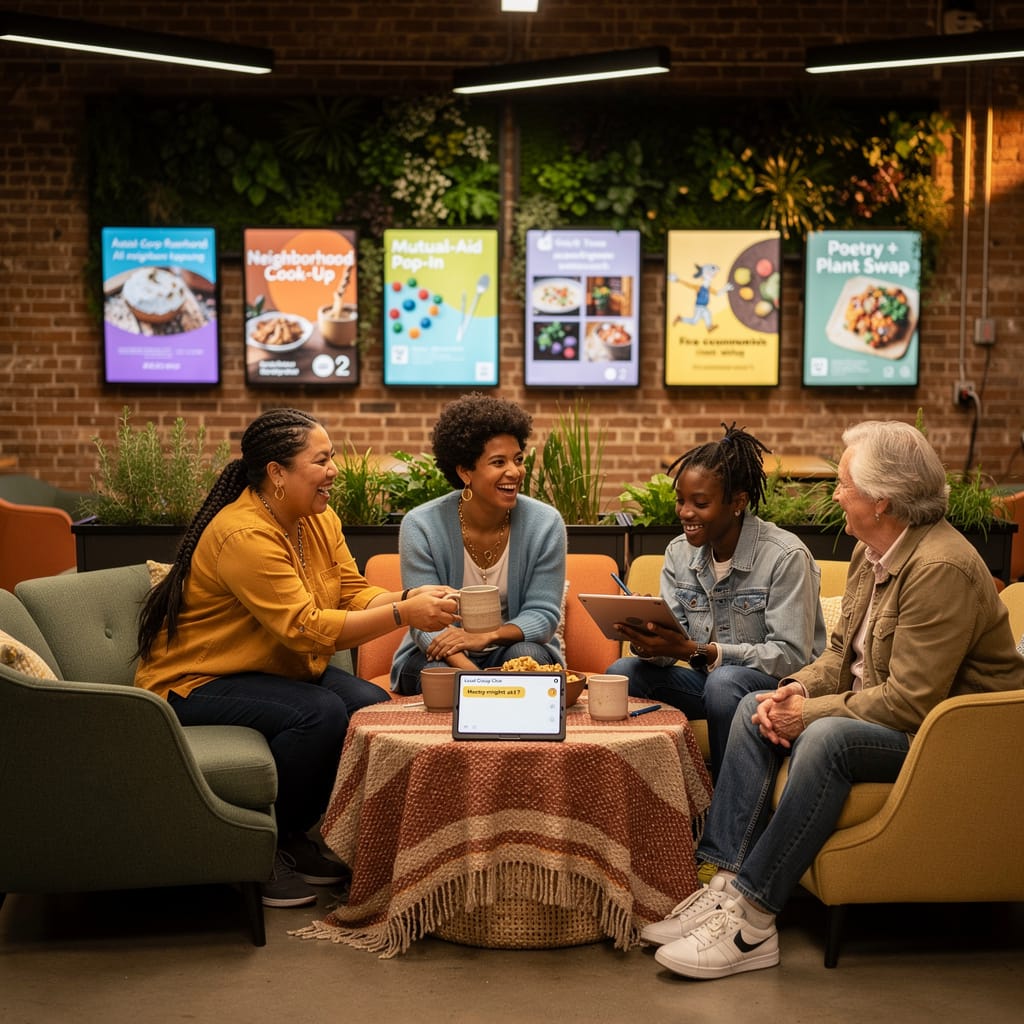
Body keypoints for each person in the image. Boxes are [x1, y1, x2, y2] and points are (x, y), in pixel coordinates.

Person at [644, 420, 1024, 979]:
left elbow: (911, 704)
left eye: (844, 484)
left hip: (950, 740)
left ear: (882, 499)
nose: (837, 494)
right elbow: (840, 657)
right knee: (754, 706)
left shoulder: (939, 566)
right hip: (897, 718)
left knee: (826, 736)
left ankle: (752, 920)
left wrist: (809, 714)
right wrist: (794, 689)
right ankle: (723, 882)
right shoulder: (876, 554)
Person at [134, 408, 459, 909]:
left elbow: (351, 590)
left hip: (268, 668)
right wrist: (403, 612)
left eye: (333, 457)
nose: (334, 470)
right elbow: (303, 627)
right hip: (196, 682)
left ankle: (298, 835)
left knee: (366, 702)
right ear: (277, 474)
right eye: (321, 459)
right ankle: (264, 848)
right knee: (320, 712)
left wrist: (414, 599)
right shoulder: (245, 535)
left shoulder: (318, 517)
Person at [605, 423, 826, 779]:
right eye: (681, 501)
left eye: (700, 503)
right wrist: (647, 638)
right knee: (623, 674)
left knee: (724, 682)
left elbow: (791, 657)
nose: (685, 513)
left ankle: (727, 801)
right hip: (709, 684)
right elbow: (672, 650)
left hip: (775, 689)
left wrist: (700, 651)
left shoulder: (785, 556)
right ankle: (654, 795)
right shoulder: (679, 553)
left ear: (737, 503)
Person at [391, 392, 567, 694]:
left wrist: (488, 636)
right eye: (498, 462)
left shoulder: (545, 524)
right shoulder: (421, 525)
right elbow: (423, 620)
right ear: (465, 471)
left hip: (510, 646)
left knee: (529, 661)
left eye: (518, 459)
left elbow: (543, 614)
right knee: (437, 676)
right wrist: (477, 679)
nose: (514, 471)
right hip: (442, 652)